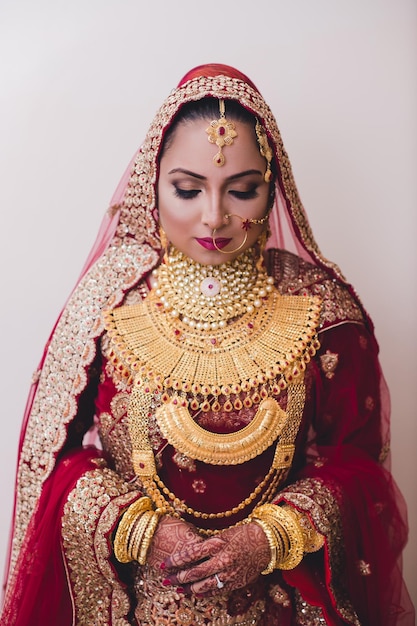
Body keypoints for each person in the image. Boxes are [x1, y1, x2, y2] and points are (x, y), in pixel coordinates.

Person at [0, 63, 414, 626]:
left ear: (272, 191)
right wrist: (139, 527)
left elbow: (359, 468)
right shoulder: (108, 303)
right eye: (188, 189)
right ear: (153, 182)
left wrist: (270, 537)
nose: (214, 216)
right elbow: (52, 463)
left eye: (241, 190)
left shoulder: (323, 312)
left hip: (279, 607)